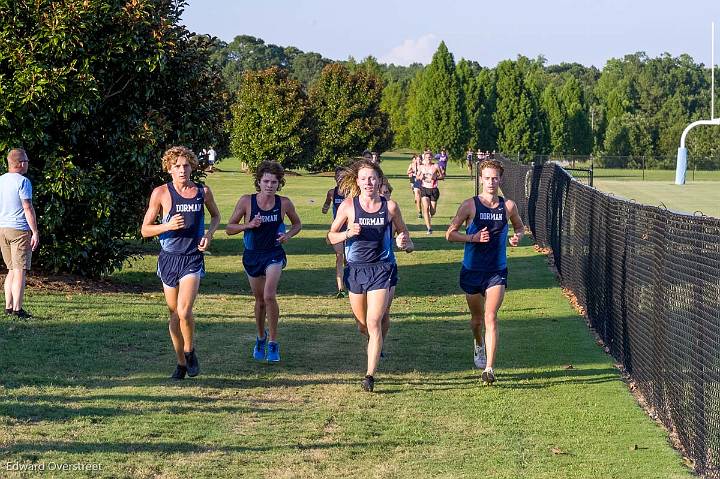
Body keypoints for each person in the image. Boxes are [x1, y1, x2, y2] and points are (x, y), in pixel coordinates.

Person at [327, 159, 413, 392]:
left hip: (381, 269)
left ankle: (369, 375)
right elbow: (330, 236)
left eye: (372, 178)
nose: (368, 182)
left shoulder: (391, 207)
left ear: (379, 181)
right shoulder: (348, 206)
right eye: (364, 178)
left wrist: (404, 242)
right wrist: (346, 233)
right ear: (358, 181)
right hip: (355, 269)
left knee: (375, 321)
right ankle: (373, 342)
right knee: (363, 325)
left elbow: (405, 235)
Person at [141, 146, 221, 380]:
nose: (182, 170)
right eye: (177, 166)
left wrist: (209, 234)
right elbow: (145, 230)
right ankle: (180, 363)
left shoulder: (202, 192)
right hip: (168, 259)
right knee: (174, 315)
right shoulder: (160, 193)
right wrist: (167, 225)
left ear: (192, 166)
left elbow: (216, 216)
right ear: (169, 169)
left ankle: (190, 350)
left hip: (192, 258)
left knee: (185, 311)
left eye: (186, 165)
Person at [445, 159, 524, 385]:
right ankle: (478, 344)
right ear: (480, 179)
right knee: (477, 320)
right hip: (472, 270)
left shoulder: (508, 206)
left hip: (496, 271)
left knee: (491, 317)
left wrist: (517, 236)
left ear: (500, 179)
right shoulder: (469, 205)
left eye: (495, 178)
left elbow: (519, 226)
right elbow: (450, 234)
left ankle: (489, 369)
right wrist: (473, 238)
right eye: (487, 178)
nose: (491, 182)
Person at [226, 160, 302, 363]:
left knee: (269, 295)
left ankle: (274, 343)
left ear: (279, 184)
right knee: (259, 301)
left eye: (274, 182)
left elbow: (297, 224)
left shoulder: (283, 203)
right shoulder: (246, 201)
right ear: (258, 182)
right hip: (252, 255)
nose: (270, 185)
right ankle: (261, 337)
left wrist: (288, 236)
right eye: (266, 181)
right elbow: (229, 228)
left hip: (274, 253)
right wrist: (248, 225)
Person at [0, 149, 39, 319]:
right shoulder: (23, 182)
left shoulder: (1, 180)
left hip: (2, 229)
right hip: (19, 230)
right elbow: (27, 208)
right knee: (20, 270)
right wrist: (35, 231)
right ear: (21, 163)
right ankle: (18, 309)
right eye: (27, 161)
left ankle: (8, 306)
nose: (28, 164)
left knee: (10, 269)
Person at [322, 167, 347, 298]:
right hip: (337, 230)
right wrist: (325, 208)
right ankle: (341, 288)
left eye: (343, 177)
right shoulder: (332, 192)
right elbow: (326, 204)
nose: (340, 179)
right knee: (339, 257)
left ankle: (351, 282)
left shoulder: (353, 193)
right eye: (338, 177)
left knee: (349, 259)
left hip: (350, 229)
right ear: (335, 178)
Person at [417, 150, 444, 234]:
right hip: (424, 189)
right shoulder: (421, 167)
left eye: (429, 157)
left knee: (432, 211)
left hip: (433, 190)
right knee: (425, 208)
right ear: (424, 158)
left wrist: (435, 178)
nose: (428, 159)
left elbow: (442, 176)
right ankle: (429, 228)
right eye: (426, 157)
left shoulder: (435, 166)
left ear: (432, 158)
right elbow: (417, 177)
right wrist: (420, 177)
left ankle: (430, 215)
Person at [406, 155, 422, 219]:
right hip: (415, 179)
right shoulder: (412, 165)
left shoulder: (424, 166)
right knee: (416, 193)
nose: (418, 161)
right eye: (417, 159)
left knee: (422, 197)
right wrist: (412, 172)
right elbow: (407, 172)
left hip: (423, 181)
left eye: (420, 159)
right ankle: (419, 212)